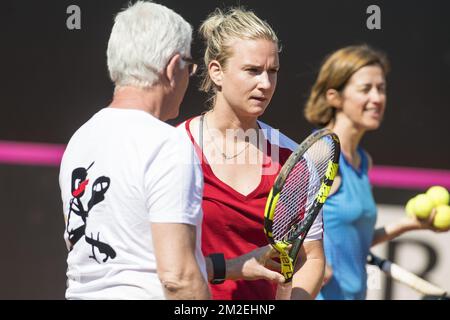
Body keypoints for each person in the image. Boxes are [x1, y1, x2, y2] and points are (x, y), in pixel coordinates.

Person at [59, 1, 284, 300]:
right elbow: (178, 278)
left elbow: (124, 259)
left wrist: (226, 267)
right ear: (171, 67)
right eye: (189, 67)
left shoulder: (81, 139)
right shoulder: (169, 144)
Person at [178, 7, 325, 300]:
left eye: (272, 71)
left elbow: (312, 258)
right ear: (216, 72)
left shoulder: (293, 159)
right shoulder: (175, 148)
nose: (266, 84)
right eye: (252, 71)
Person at [303, 44, 450, 300]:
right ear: (334, 97)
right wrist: (308, 262)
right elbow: (281, 231)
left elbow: (353, 242)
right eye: (365, 89)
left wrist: (409, 225)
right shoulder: (320, 153)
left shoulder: (363, 161)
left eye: (381, 89)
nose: (377, 98)